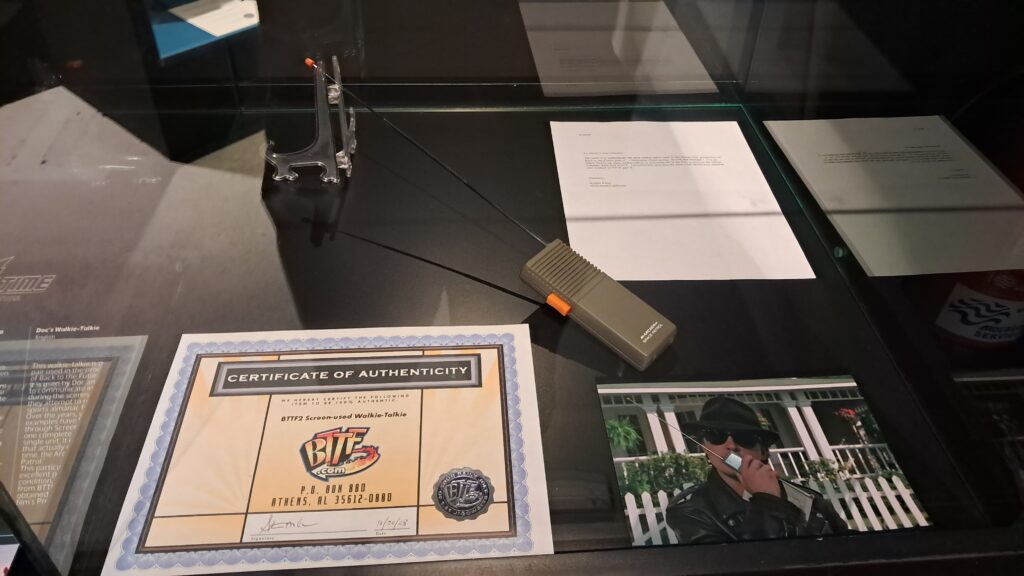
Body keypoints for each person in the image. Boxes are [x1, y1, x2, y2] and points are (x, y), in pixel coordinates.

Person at [665, 396, 849, 543]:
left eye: (743, 437)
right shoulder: (691, 511)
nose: (731, 445)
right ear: (705, 449)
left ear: (764, 451)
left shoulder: (810, 500)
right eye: (716, 436)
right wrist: (767, 502)